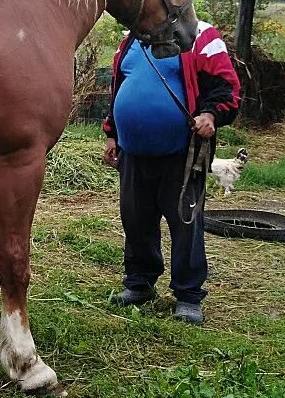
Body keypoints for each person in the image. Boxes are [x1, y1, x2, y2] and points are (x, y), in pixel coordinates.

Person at [102, 20, 240, 325]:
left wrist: (210, 113)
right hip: (133, 153)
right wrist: (111, 133)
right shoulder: (131, 40)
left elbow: (227, 89)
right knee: (136, 219)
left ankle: (188, 295)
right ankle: (140, 283)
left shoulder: (201, 36)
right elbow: (119, 87)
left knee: (185, 224)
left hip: (182, 154)